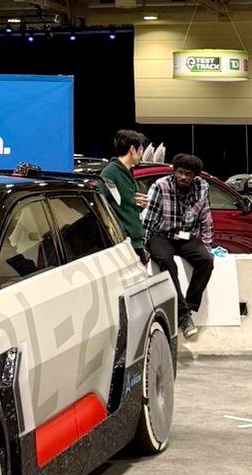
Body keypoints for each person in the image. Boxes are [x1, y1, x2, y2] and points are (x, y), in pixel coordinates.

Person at [142, 153, 215, 339]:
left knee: (206, 261)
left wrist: (207, 246)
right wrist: (144, 246)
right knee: (167, 262)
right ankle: (183, 316)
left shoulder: (202, 187)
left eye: (188, 174)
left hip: (185, 236)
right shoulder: (160, 186)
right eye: (180, 172)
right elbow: (148, 219)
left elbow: (206, 219)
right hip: (161, 234)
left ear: (195, 176)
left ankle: (188, 306)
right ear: (174, 171)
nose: (183, 177)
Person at [98, 129, 149, 263]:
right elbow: (101, 204)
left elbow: (121, 200)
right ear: (132, 149)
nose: (142, 153)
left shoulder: (128, 172)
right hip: (124, 245)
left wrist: (134, 201)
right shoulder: (110, 173)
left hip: (136, 243)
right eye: (141, 149)